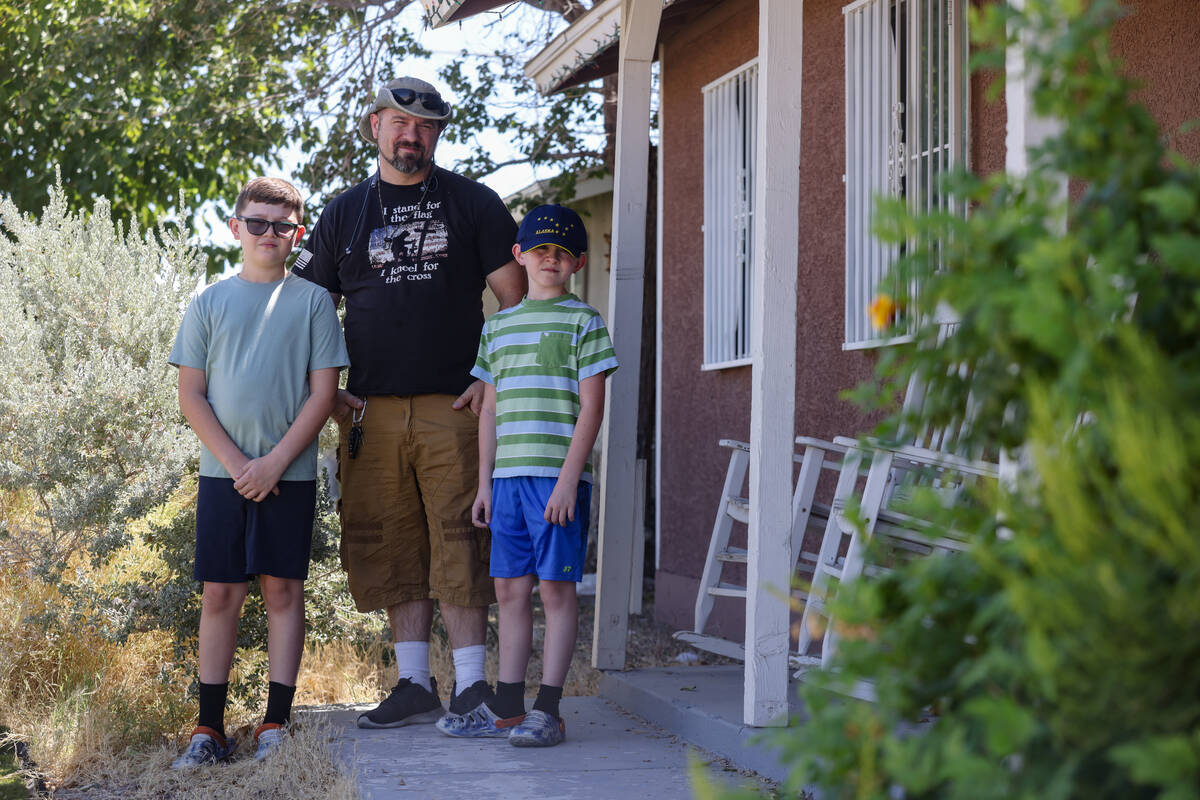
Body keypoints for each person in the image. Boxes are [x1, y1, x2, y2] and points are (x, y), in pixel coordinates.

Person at [291, 76, 526, 729]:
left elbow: (519, 301)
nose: (411, 135)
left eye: (424, 127)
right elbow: (305, 310)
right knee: (392, 542)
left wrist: (494, 378)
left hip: (457, 407)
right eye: (399, 123)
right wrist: (324, 389)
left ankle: (473, 685)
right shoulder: (343, 213)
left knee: (459, 538)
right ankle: (416, 682)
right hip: (370, 413)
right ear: (375, 127)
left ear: (438, 134)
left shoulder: (474, 203)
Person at [168, 177, 349, 767]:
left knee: (282, 589)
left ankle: (276, 721)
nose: (269, 234)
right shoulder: (208, 302)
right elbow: (191, 394)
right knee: (220, 592)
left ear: (297, 233)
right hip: (224, 475)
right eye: (257, 223)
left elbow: (324, 395)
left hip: (287, 475)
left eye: (282, 225)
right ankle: (209, 729)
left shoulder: (314, 301)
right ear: (236, 229)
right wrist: (240, 464)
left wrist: (273, 462)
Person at [442, 204, 617, 746]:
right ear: (518, 256)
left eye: (562, 252)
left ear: (577, 263)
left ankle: (549, 708)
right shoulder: (498, 329)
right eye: (540, 249)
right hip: (508, 484)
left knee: (557, 592)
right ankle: (509, 706)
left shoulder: (584, 322)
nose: (550, 258)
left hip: (556, 482)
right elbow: (489, 410)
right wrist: (483, 483)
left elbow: (592, 410)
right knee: (509, 590)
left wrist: (569, 481)